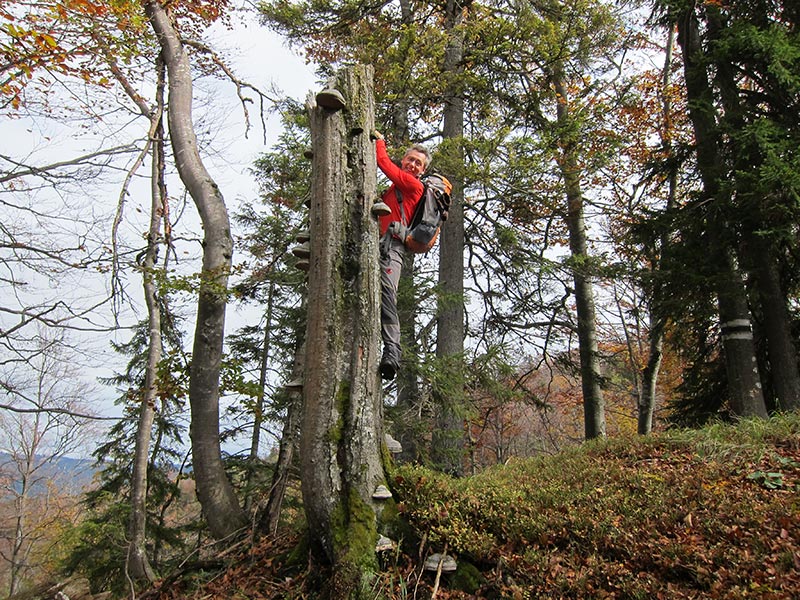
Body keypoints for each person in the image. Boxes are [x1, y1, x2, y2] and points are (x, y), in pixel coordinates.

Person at [372, 130, 431, 380]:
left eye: (418, 163)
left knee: (386, 293)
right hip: (376, 243)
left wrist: (380, 141)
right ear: (404, 160)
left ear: (422, 171)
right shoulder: (393, 189)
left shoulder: (413, 186)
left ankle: (392, 352)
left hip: (393, 247)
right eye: (410, 160)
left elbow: (383, 162)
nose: (413, 165)